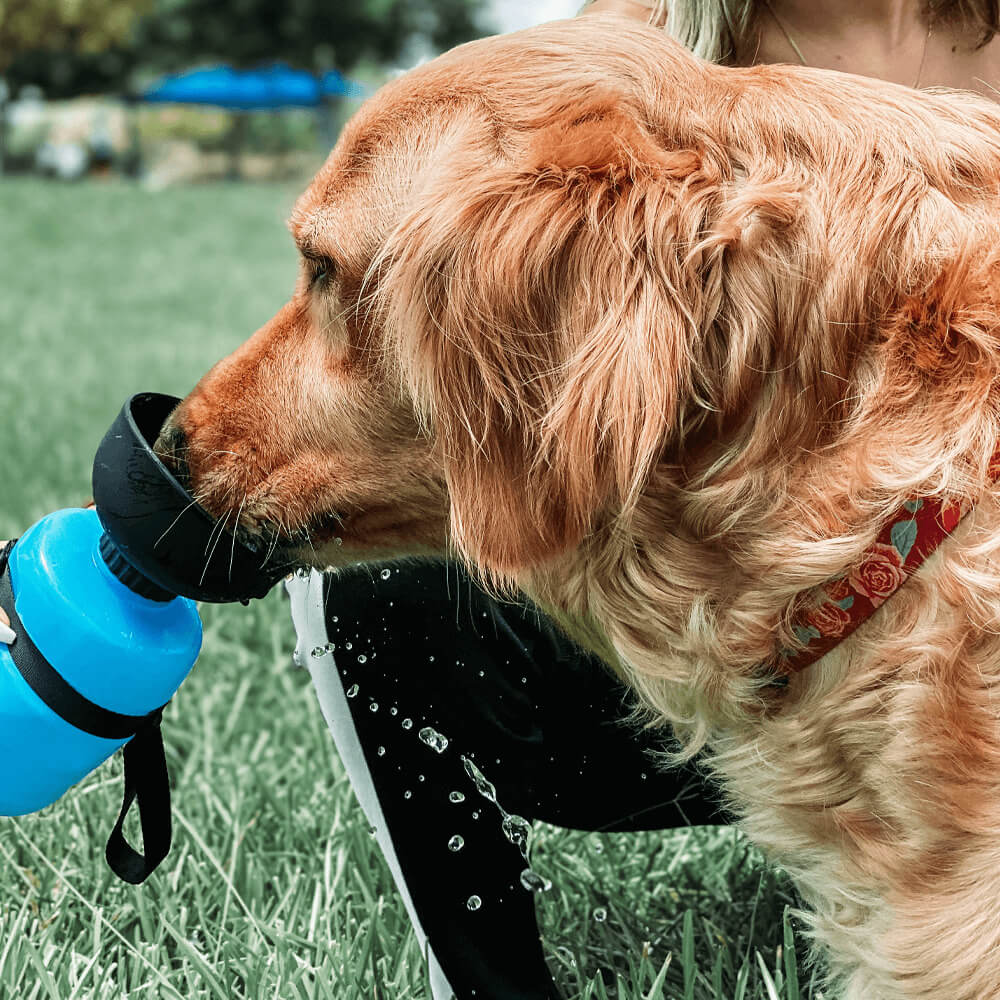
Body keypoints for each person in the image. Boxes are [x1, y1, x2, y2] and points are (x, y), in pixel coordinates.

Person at [6, 2, 1000, 996]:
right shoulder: (634, 39)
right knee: (364, 596)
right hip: (762, 643)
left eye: (329, 276)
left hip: (919, 585)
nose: (209, 414)